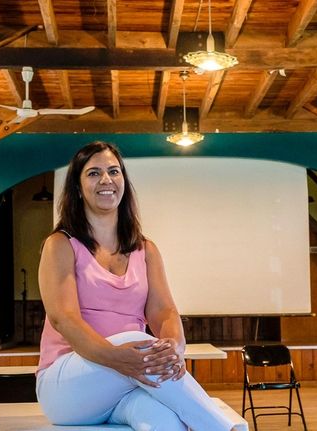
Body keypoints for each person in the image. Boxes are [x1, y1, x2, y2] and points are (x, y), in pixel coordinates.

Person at [36, 141, 236, 430]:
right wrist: (118, 358)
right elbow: (63, 318)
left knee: (165, 422)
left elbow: (165, 311)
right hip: (67, 387)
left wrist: (174, 348)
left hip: (127, 384)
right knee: (132, 341)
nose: (106, 180)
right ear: (78, 188)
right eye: (93, 173)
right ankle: (225, 428)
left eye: (114, 172)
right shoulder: (61, 244)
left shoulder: (146, 249)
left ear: (124, 183)